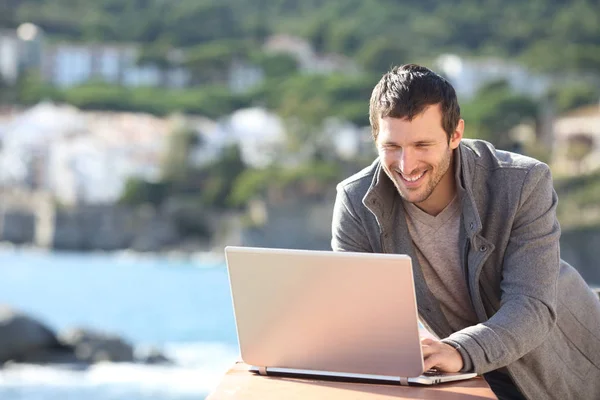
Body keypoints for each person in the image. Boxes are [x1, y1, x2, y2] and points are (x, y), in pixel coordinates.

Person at [331, 63, 600, 400]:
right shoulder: (356, 202)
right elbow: (362, 314)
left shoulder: (522, 183)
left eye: (422, 145)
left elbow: (531, 305)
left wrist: (457, 351)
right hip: (471, 376)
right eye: (392, 147)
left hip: (571, 369)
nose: (406, 164)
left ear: (455, 134)